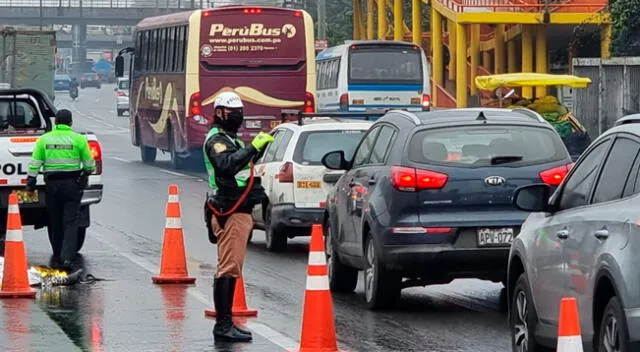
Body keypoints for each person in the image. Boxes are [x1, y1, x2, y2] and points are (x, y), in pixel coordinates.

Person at [203, 92, 274, 343]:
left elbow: (241, 165)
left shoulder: (230, 138)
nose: (239, 117)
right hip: (229, 210)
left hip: (238, 208)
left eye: (241, 112)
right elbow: (225, 165)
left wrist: (257, 149)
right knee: (228, 268)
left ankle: (226, 321)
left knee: (232, 267)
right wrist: (252, 147)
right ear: (220, 113)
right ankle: (223, 325)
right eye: (234, 113)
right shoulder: (217, 140)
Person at [26, 109, 95, 267]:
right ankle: (67, 257)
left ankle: (57, 253)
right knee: (71, 222)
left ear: (55, 122)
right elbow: (89, 164)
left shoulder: (44, 140)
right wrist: (85, 174)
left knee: (55, 220)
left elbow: (35, 162)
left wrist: (31, 180)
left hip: (52, 185)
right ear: (70, 123)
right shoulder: (79, 139)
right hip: (72, 184)